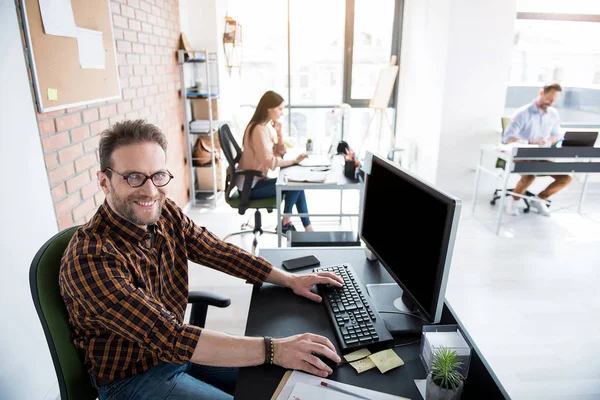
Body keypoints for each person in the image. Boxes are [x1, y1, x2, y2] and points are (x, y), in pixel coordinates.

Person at [59, 119, 343, 400]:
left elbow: (214, 250)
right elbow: (168, 336)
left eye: (158, 175)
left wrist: (289, 279)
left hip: (179, 351)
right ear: (104, 182)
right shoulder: (90, 258)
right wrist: (275, 349)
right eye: (133, 177)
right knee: (274, 363)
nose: (150, 191)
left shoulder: (164, 211)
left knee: (292, 376)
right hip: (132, 377)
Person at [237, 90, 312, 234]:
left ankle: (303, 228)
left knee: (297, 184)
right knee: (295, 184)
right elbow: (269, 161)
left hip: (257, 180)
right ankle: (287, 223)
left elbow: (279, 153)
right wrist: (294, 161)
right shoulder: (258, 129)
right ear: (268, 109)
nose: (282, 113)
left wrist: (279, 133)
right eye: (280, 109)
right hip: (250, 186)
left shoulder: (264, 127)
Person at [502, 82, 572, 216]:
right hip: (521, 156)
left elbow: (556, 135)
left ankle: (540, 199)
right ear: (541, 93)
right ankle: (514, 201)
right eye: (549, 99)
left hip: (541, 156)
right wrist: (531, 141)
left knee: (566, 177)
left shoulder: (553, 114)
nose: (551, 103)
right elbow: (507, 139)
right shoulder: (523, 113)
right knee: (529, 176)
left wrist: (550, 140)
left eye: (554, 100)